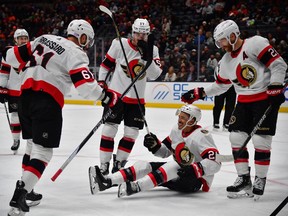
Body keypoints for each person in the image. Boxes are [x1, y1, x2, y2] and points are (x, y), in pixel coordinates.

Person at [3, 19, 123, 215]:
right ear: (82, 36)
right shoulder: (75, 53)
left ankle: (29, 190)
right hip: (47, 101)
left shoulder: (44, 38)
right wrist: (107, 96)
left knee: (32, 146)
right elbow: (85, 88)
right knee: (43, 154)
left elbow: (9, 56)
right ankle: (20, 195)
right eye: (87, 40)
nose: (87, 45)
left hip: (24, 98)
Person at [181, 20, 287, 200]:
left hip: (264, 100)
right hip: (243, 102)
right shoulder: (225, 61)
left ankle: (260, 179)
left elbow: (279, 65)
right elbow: (221, 86)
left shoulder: (256, 44)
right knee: (236, 137)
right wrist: (200, 92)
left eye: (222, 40)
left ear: (232, 35)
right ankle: (243, 178)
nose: (220, 45)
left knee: (261, 141)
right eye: (218, 41)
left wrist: (276, 85)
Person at [88, 104, 221, 197]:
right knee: (143, 166)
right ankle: (106, 181)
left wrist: (194, 170)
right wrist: (155, 146)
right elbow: (165, 152)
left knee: (174, 165)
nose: (179, 120)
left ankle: (135, 187)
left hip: (195, 181)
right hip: (178, 174)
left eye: (183, 117)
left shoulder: (202, 135)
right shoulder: (176, 130)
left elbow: (215, 163)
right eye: (179, 116)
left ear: (192, 120)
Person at [95, 18, 162, 175]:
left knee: (131, 133)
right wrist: (102, 83)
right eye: (138, 33)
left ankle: (119, 164)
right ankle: (104, 165)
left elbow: (154, 75)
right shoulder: (119, 44)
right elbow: (106, 65)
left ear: (148, 35)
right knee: (108, 131)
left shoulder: (153, 50)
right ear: (133, 32)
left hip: (136, 100)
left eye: (144, 34)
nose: (140, 37)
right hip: (116, 96)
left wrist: (147, 56)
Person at [0, 29, 29, 153]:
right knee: (15, 117)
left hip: (29, 91)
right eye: (20, 38)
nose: (23, 40)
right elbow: (4, 72)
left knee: (30, 118)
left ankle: (31, 144)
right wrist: (2, 87)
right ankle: (16, 140)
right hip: (13, 91)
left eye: (25, 38)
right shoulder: (9, 54)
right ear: (15, 40)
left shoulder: (33, 53)